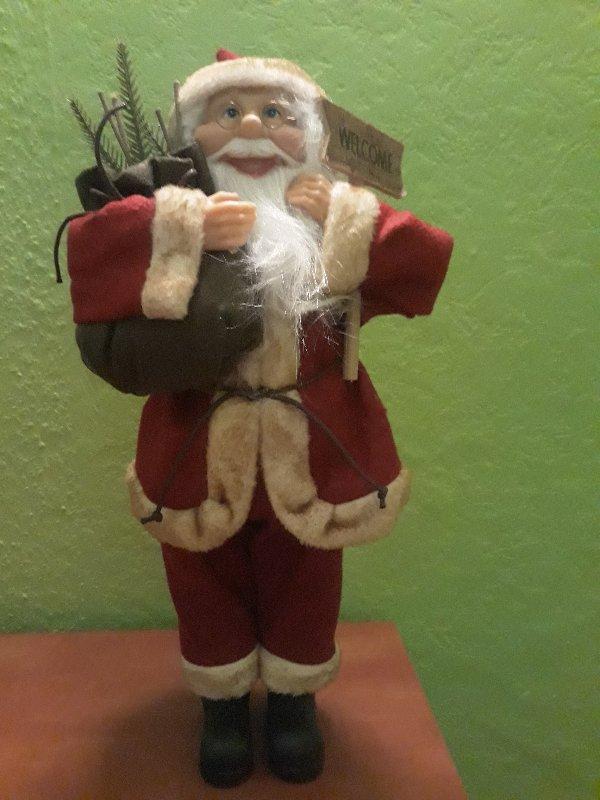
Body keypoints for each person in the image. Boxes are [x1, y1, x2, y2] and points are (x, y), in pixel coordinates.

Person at [66, 48, 454, 787]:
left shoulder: (323, 232)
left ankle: (292, 703)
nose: (250, 128)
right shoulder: (167, 209)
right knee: (199, 577)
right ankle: (219, 706)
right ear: (192, 131)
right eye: (227, 112)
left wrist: (347, 218)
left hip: (315, 454)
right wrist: (182, 230)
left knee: (308, 578)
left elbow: (424, 269)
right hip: (195, 450)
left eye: (275, 113)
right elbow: (93, 264)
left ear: (310, 134)